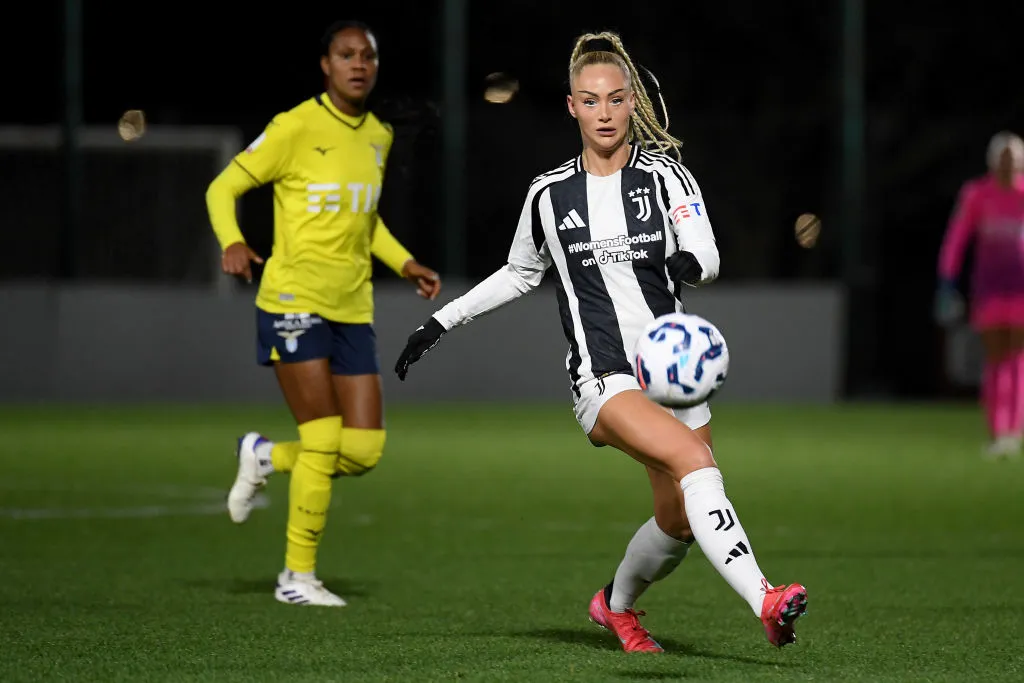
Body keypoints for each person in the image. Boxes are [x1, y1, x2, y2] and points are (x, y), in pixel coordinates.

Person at [394, 31, 807, 651]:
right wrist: (440, 322)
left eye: (616, 100)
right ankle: (766, 600)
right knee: (698, 466)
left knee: (678, 519)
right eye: (591, 101)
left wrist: (688, 266)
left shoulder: (667, 177)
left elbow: (706, 253)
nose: (605, 113)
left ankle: (615, 605)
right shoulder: (549, 194)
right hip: (605, 377)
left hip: (675, 372)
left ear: (632, 102)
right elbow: (518, 274)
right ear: (571, 107)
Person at [204, 19, 441, 607]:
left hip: (351, 308)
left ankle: (262, 455)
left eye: (367, 55)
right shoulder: (294, 127)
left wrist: (405, 262)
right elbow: (221, 190)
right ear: (325, 66)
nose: (358, 64)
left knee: (361, 452)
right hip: (293, 301)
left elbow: (367, 223)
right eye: (345, 55)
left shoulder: (378, 137)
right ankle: (296, 578)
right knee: (323, 437)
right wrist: (231, 241)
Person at [936, 132, 1024, 460]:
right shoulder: (976, 195)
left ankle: (1013, 430)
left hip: (1022, 288)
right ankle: (998, 429)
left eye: (1014, 159)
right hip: (989, 288)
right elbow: (956, 239)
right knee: (996, 358)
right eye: (1003, 158)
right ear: (991, 161)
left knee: (1017, 358)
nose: (1008, 164)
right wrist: (947, 280)